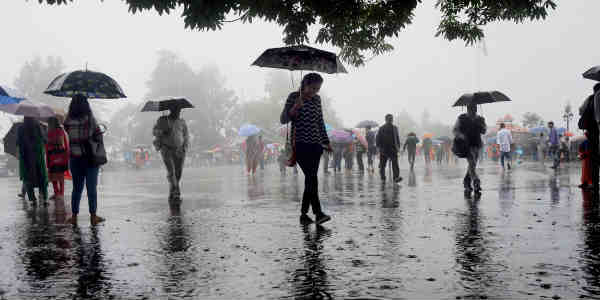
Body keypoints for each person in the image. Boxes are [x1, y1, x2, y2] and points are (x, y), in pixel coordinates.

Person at [281, 72, 332, 225]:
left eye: (318, 89)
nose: (315, 91)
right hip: (300, 144)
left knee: (311, 179)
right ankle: (317, 213)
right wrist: (295, 107)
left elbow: (320, 121)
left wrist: (326, 142)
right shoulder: (293, 97)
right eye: (313, 88)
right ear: (305, 84)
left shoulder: (317, 99)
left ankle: (304, 215)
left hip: (316, 145)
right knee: (312, 178)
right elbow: (283, 119)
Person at [64, 94, 105, 225]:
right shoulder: (90, 119)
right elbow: (98, 137)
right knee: (91, 188)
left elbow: (67, 138)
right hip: (90, 159)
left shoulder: (68, 120)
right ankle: (93, 216)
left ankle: (74, 217)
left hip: (75, 159)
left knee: (77, 189)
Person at [153, 106, 189, 202]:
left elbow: (186, 136)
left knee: (178, 173)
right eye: (176, 110)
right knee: (171, 172)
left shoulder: (182, 122)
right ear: (171, 110)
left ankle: (172, 190)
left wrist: (184, 148)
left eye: (179, 110)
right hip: (166, 149)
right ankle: (176, 192)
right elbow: (154, 131)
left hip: (180, 150)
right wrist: (162, 131)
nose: (178, 112)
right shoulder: (162, 120)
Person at [453, 103, 486, 193]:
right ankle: (476, 181)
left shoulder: (480, 119)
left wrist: (482, 125)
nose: (473, 111)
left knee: (473, 165)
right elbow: (455, 130)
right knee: (472, 163)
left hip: (477, 144)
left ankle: (466, 181)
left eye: (474, 109)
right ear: (467, 109)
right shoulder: (462, 118)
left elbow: (484, 131)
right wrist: (460, 135)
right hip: (466, 145)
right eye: (471, 109)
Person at [16, 117, 48, 205]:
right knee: (41, 176)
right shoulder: (39, 126)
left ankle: (33, 200)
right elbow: (45, 140)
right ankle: (44, 198)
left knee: (27, 178)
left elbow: (18, 142)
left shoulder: (20, 128)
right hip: (38, 155)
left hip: (25, 156)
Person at [578, 83, 600, 194]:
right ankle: (594, 183)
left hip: (591, 132)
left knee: (593, 160)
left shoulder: (590, 98)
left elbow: (580, 110)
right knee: (595, 159)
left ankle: (594, 183)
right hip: (596, 130)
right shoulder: (596, 97)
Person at [45, 116, 70, 201]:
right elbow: (65, 144)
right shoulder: (60, 131)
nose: (48, 125)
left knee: (56, 176)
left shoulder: (53, 132)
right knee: (58, 176)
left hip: (55, 157)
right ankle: (59, 193)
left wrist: (49, 142)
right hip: (60, 157)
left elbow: (58, 143)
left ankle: (58, 193)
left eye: (49, 124)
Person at [376, 114, 402, 183]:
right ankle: (385, 177)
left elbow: (397, 138)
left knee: (392, 164)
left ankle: (394, 177)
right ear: (387, 120)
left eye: (391, 119)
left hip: (390, 149)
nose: (391, 120)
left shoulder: (394, 128)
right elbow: (378, 139)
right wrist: (379, 148)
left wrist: (398, 147)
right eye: (390, 119)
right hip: (386, 149)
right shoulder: (382, 128)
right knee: (384, 165)